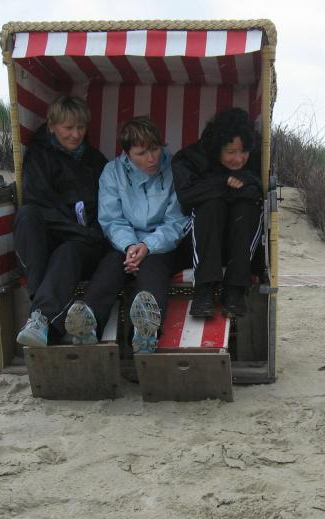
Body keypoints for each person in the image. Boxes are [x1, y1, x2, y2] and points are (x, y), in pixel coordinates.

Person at [14, 96, 122, 347]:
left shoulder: (95, 161)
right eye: (68, 128)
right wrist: (76, 231)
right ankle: (40, 310)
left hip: (85, 244)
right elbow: (40, 205)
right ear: (52, 126)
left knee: (70, 251)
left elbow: (109, 207)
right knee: (27, 214)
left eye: (81, 128)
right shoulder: (38, 157)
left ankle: (41, 318)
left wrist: (89, 233)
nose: (76, 135)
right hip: (55, 237)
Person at [97, 116, 190, 352]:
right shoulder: (112, 172)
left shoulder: (174, 169)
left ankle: (143, 335)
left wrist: (148, 246)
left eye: (155, 149)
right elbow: (112, 219)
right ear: (127, 153)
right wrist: (130, 246)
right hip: (123, 243)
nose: (151, 158)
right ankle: (88, 322)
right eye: (141, 153)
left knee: (152, 267)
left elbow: (176, 221)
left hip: (165, 244)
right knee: (111, 265)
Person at [172, 107, 263, 318]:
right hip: (200, 241)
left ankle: (235, 290)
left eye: (244, 151)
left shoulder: (259, 157)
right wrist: (224, 183)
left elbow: (260, 188)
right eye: (231, 152)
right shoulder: (191, 159)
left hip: (240, 243)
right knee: (211, 204)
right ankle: (204, 289)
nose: (239, 159)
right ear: (218, 147)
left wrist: (245, 182)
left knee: (247, 206)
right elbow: (187, 196)